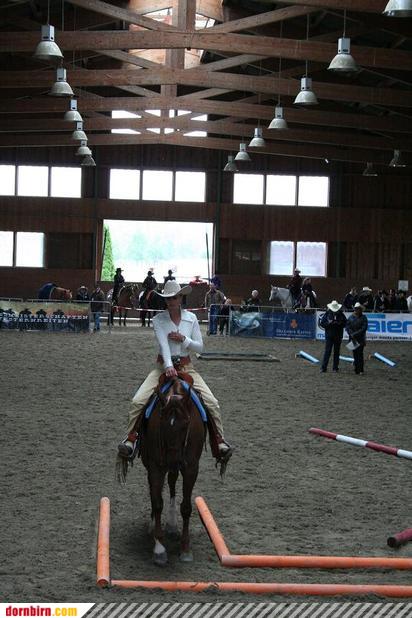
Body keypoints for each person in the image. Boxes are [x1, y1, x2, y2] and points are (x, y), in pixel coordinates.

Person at [117, 280, 232, 462]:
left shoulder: (191, 319)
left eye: (175, 297)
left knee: (212, 402)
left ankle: (219, 441)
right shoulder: (158, 320)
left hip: (187, 367)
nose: (171, 301)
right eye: (168, 298)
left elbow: (199, 347)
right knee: (138, 401)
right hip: (162, 367)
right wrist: (169, 366)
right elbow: (164, 345)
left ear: (181, 298)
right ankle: (131, 439)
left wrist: (184, 339)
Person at [319, 300, 347, 373]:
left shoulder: (341, 314)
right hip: (329, 336)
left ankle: (335, 368)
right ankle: (324, 367)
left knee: (336, 352)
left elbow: (345, 323)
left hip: (338, 336)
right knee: (327, 351)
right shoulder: (327, 313)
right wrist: (329, 323)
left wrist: (339, 323)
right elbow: (322, 323)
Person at [346, 302, 368, 376]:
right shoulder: (351, 317)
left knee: (360, 354)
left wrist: (354, 334)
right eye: (356, 309)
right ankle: (356, 369)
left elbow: (364, 328)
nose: (357, 310)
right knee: (355, 354)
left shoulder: (364, 317)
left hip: (360, 338)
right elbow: (347, 327)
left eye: (358, 309)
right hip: (353, 338)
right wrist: (351, 334)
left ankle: (361, 369)